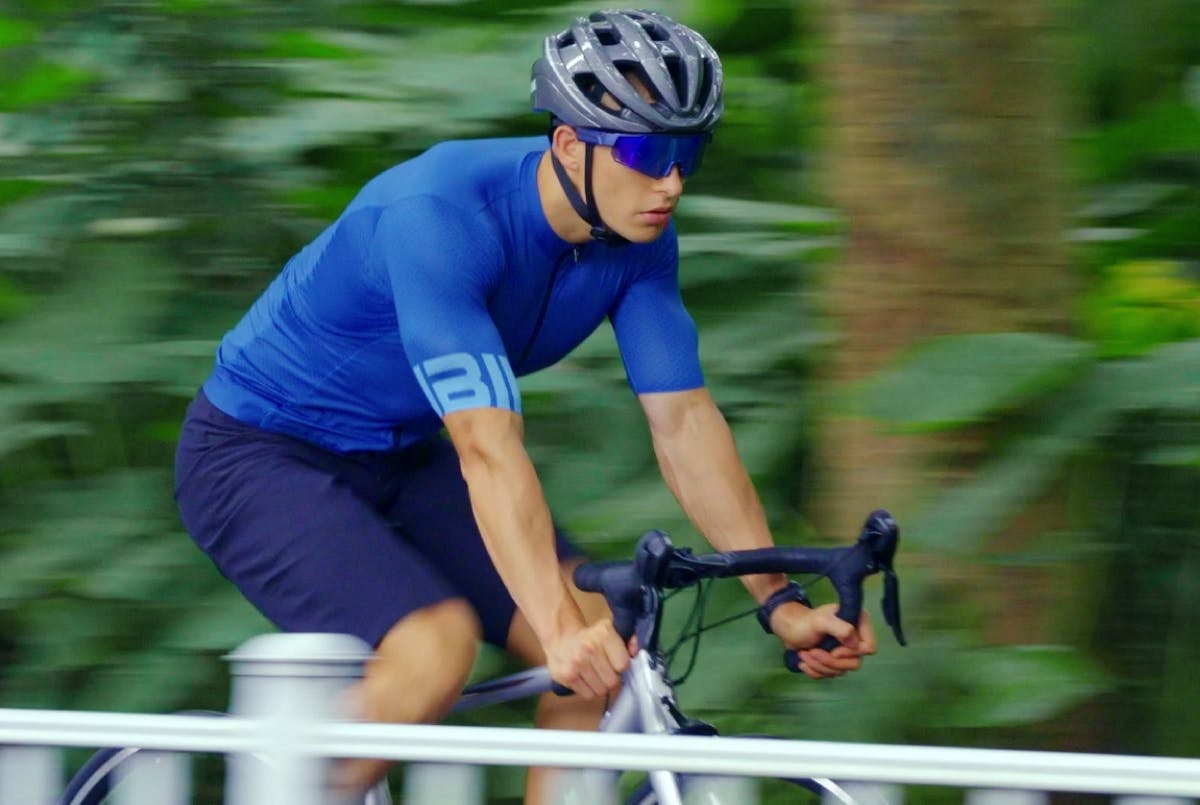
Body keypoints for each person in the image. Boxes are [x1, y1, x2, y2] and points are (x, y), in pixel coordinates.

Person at [174, 7, 875, 802]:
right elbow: (487, 446)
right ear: (570, 144)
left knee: (604, 638)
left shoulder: (636, 240)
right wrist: (554, 627)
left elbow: (684, 424)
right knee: (436, 646)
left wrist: (778, 601)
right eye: (647, 152)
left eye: (688, 154)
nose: (671, 183)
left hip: (400, 451)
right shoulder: (439, 219)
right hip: (256, 452)